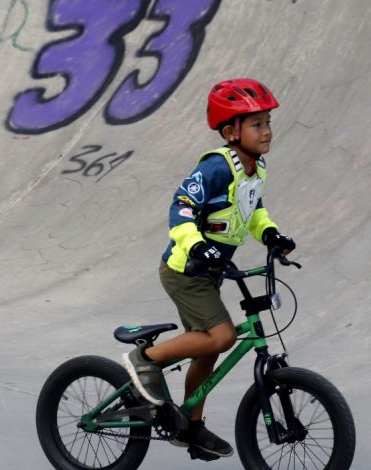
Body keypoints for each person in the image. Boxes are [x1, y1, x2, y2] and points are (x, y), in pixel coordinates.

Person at [123, 78, 297, 460]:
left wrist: (271, 235)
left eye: (268, 122)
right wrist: (198, 245)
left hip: (212, 272)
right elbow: (181, 207)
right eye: (257, 125)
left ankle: (190, 425)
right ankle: (145, 359)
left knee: (208, 351)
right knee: (221, 337)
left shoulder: (255, 167)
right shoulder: (217, 167)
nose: (266, 131)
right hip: (185, 270)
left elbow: (252, 212)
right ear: (231, 131)